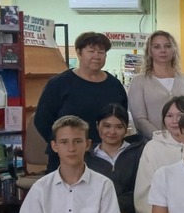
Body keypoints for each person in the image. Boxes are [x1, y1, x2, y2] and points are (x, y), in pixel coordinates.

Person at [35, 31, 127, 172]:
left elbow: (122, 119)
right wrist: (63, 143)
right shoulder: (59, 83)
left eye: (101, 52)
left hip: (104, 157)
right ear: (79, 53)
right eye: (91, 51)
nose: (96, 56)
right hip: (66, 157)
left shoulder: (114, 85)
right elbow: (42, 120)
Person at [84, 104, 148, 213]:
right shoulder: (87, 157)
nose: (112, 132)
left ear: (126, 129)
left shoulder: (139, 153)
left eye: (119, 127)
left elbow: (141, 190)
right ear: (97, 125)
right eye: (107, 126)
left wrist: (116, 208)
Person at [129, 30, 184, 140]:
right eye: (157, 47)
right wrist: (162, 139)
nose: (163, 50)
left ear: (174, 50)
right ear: (149, 51)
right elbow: (140, 119)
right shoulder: (139, 82)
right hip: (152, 143)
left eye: (167, 46)